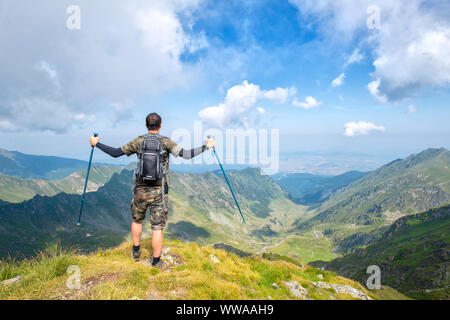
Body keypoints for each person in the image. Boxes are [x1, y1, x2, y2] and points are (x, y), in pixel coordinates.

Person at [89, 113, 215, 269]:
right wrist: (206, 146)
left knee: (137, 220)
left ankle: (136, 251)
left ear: (146, 125)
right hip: (159, 191)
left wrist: (97, 143)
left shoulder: (138, 141)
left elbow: (115, 153)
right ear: (160, 125)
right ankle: (156, 262)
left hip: (140, 189)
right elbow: (186, 155)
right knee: (157, 227)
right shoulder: (166, 142)